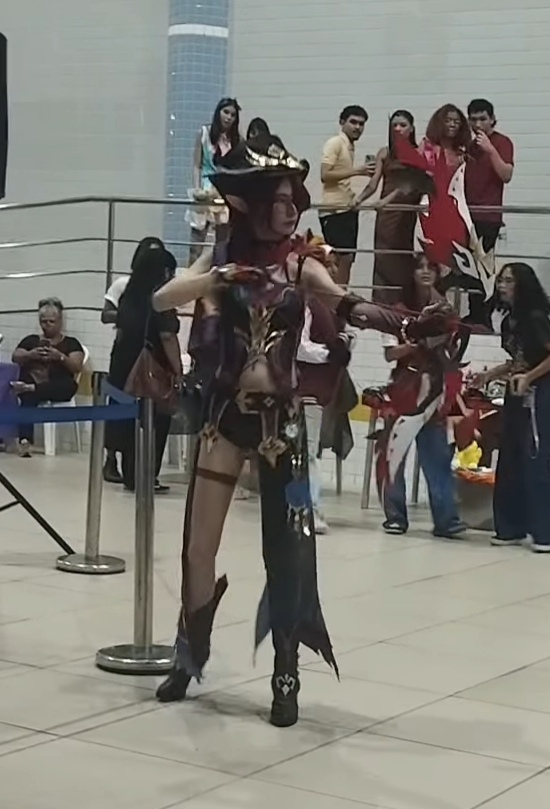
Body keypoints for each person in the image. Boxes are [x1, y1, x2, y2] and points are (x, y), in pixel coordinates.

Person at [151, 133, 458, 726]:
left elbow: (348, 304)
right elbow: (164, 298)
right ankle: (190, 654)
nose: (291, 207)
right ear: (251, 204)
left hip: (282, 426)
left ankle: (285, 673)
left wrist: (408, 322)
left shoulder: (300, 261)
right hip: (224, 419)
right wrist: (221, 277)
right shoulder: (221, 256)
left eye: (295, 197)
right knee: (196, 548)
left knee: (288, 553)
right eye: (280, 198)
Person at [378, 255, 465, 537]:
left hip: (436, 387)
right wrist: (418, 342)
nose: (426, 272)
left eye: (431, 267)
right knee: (394, 455)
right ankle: (395, 516)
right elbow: (390, 353)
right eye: (420, 267)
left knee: (437, 456)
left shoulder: (447, 308)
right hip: (405, 387)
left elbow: (452, 349)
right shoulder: (396, 311)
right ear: (411, 273)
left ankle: (446, 519)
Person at [471, 263, 550, 553]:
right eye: (501, 280)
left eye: (509, 281)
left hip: (538, 393)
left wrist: (529, 376)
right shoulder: (509, 321)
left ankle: (543, 531)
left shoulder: (536, 318)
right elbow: (517, 358)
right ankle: (510, 527)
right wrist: (490, 374)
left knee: (534, 458)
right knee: (510, 458)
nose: (502, 286)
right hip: (515, 393)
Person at [106, 239, 183, 493]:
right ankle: (147, 477)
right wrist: (178, 371)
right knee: (156, 422)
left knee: (129, 422)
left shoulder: (129, 294)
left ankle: (130, 475)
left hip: (123, 365)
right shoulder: (160, 298)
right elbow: (167, 336)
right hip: (152, 369)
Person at [355, 110, 423, 305]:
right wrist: (358, 199)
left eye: (403, 125)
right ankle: (381, 304)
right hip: (385, 213)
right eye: (394, 125)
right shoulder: (385, 152)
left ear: (411, 129)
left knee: (402, 253)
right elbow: (374, 183)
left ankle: (404, 305)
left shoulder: (417, 153)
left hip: (404, 210)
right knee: (382, 254)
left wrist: (387, 201)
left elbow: (409, 183)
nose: (398, 129)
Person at [12, 298, 85, 457]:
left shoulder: (71, 343)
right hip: (33, 382)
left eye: (51, 321)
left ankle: (32, 388)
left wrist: (60, 357)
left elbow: (77, 366)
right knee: (27, 395)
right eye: (44, 322)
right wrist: (31, 355)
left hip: (57, 385)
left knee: (68, 385)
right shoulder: (31, 340)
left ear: (60, 321)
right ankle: (25, 440)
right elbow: (16, 356)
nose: (47, 325)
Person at [319, 105, 375, 285]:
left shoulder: (349, 146)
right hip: (334, 210)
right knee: (337, 261)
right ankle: (335, 298)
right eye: (353, 122)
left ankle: (340, 296)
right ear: (342, 122)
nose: (357, 127)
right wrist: (358, 171)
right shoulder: (335, 142)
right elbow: (325, 175)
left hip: (347, 209)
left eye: (361, 124)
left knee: (348, 260)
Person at [188, 98, 241, 263]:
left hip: (225, 192)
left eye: (233, 115)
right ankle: (191, 273)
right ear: (218, 112)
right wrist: (196, 188)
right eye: (226, 112)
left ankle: (218, 273)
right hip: (205, 190)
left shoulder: (236, 140)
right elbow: (197, 164)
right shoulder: (204, 133)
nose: (228, 117)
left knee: (222, 243)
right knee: (197, 242)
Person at [466, 99, 514, 253]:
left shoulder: (502, 142)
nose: (478, 125)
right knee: (464, 263)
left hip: (488, 216)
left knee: (483, 263)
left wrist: (491, 150)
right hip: (466, 214)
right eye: (474, 120)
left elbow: (506, 175)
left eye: (483, 119)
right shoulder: (470, 146)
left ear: (492, 119)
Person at [420, 104, 471, 179]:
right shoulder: (427, 147)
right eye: (447, 121)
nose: (452, 125)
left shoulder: (462, 152)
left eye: (456, 122)